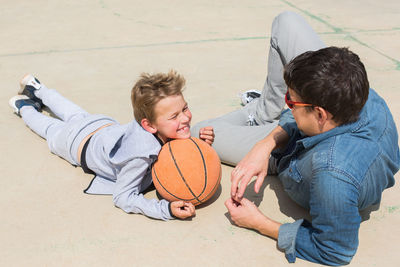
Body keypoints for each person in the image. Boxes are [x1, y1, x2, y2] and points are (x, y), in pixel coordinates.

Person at [223, 13, 400, 266]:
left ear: (319, 114)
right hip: (300, 134)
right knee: (287, 21)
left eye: (291, 102)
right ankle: (264, 109)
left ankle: (256, 114)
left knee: (201, 131)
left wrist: (259, 223)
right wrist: (265, 143)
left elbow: (335, 251)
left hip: (291, 155)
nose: (289, 106)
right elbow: (296, 118)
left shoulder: (332, 176)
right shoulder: (356, 91)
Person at [9, 70, 215, 221]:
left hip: (102, 127)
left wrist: (199, 144)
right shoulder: (140, 156)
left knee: (73, 112)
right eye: (174, 116)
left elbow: (178, 149)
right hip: (75, 143)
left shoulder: (157, 126)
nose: (185, 118)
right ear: (149, 125)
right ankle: (24, 107)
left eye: (185, 109)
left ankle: (37, 88)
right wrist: (166, 209)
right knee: (49, 129)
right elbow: (124, 196)